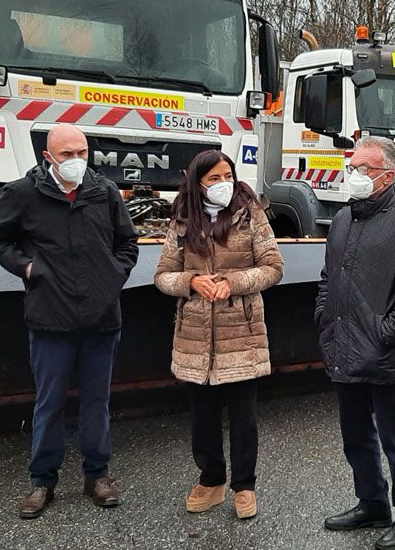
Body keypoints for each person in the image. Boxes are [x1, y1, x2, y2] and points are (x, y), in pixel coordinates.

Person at [0, 123, 138, 519]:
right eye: (67, 155)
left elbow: (127, 242)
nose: (76, 162)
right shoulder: (23, 194)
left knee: (97, 402)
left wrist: (113, 276)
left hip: (102, 319)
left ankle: (97, 475)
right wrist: (28, 268)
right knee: (49, 403)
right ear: (48, 157)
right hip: (50, 320)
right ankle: (42, 481)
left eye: (82, 153)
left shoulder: (103, 193)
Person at [316, 136, 395, 550]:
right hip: (342, 348)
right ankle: (371, 503)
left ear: (387, 176)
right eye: (351, 165)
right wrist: (325, 318)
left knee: (394, 440)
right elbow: (329, 277)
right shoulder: (343, 219)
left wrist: (385, 334)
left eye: (363, 168)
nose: (353, 174)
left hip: (382, 354)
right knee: (355, 436)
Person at [153, 149, 283, 520]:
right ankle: (211, 481)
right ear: (197, 184)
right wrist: (191, 281)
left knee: (244, 418)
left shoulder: (250, 214)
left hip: (241, 333)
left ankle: (244, 486)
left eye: (227, 175)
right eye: (214, 179)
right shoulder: (182, 220)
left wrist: (232, 282)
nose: (223, 184)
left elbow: (273, 267)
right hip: (195, 335)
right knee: (203, 418)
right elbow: (163, 275)